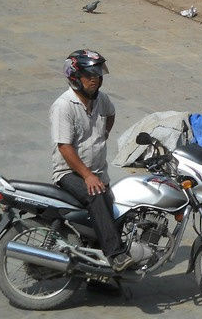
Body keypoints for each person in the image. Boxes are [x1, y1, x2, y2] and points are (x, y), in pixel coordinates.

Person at [49, 49, 133, 273]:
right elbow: (64, 147)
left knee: (118, 212)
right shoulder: (64, 106)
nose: (95, 78)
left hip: (97, 173)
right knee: (97, 197)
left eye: (97, 74)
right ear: (75, 78)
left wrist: (103, 134)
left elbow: (111, 113)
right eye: (89, 74)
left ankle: (100, 278)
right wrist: (87, 176)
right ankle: (116, 255)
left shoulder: (100, 100)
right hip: (69, 174)